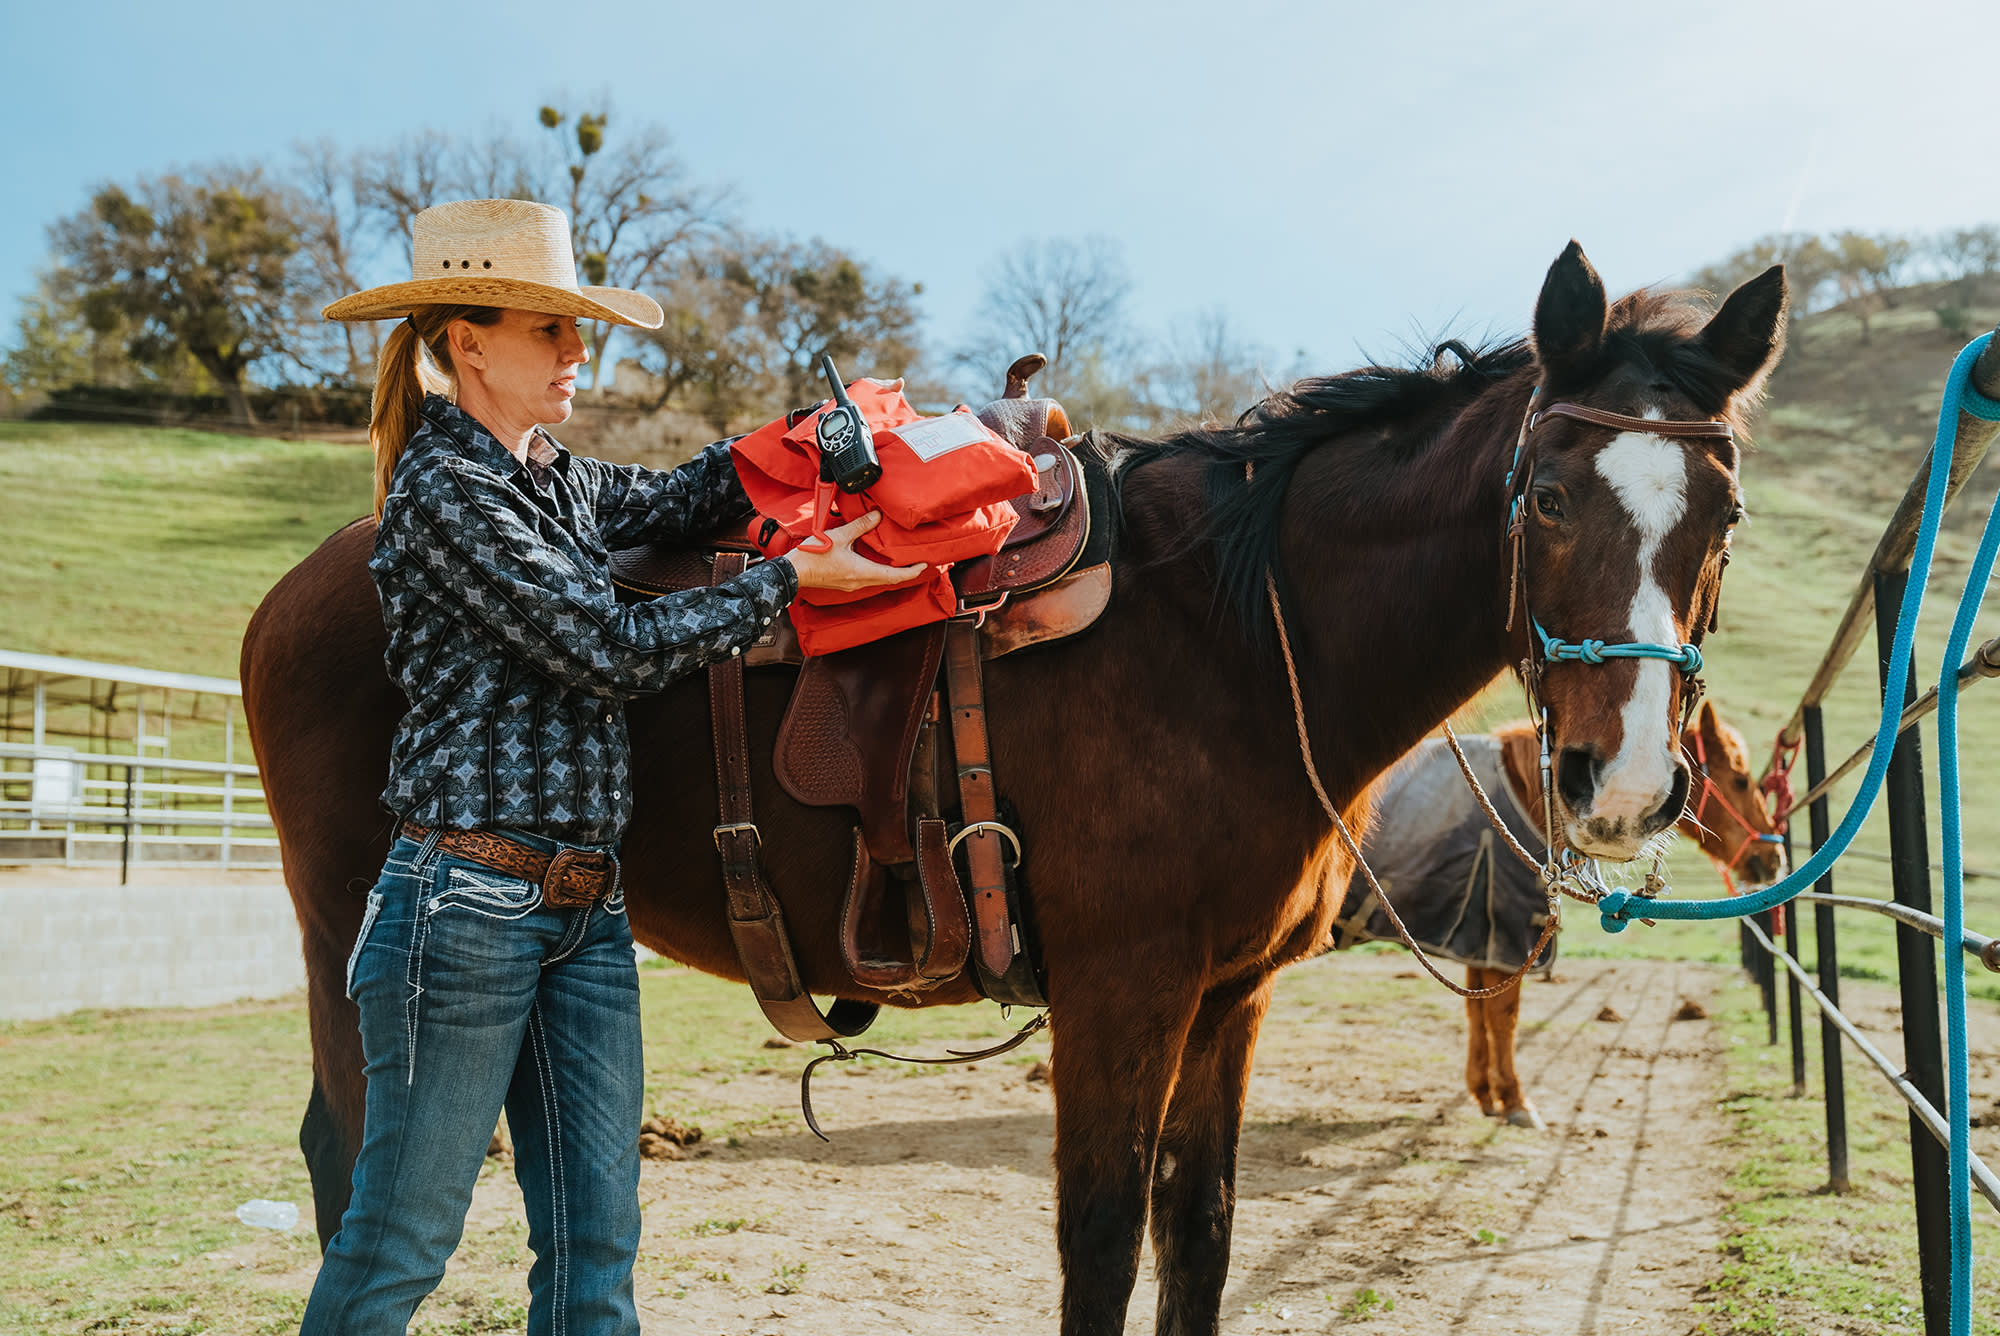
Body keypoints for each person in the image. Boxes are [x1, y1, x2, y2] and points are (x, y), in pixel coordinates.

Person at [301, 198, 919, 1335]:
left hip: (586, 913)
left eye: (577, 328)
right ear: (468, 342)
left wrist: (806, 434)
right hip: (465, 908)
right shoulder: (447, 490)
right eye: (549, 329)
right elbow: (610, 647)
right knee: (399, 1242)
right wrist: (792, 581)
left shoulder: (552, 476)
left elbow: (680, 497)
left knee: (597, 1250)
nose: (577, 350)